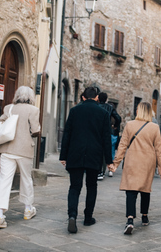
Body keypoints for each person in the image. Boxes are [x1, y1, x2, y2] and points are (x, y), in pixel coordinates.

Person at [60, 87, 114, 233]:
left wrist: (63, 156)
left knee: (74, 187)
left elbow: (67, 134)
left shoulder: (74, 111)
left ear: (83, 97)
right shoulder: (103, 113)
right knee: (92, 186)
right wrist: (109, 161)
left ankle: (72, 215)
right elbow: (106, 139)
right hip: (94, 155)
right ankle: (88, 217)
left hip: (75, 154)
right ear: (97, 98)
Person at [111, 102, 161, 235]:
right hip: (148, 161)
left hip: (132, 160)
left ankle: (130, 219)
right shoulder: (154, 127)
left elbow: (122, 145)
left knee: (131, 190)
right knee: (145, 188)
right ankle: (145, 216)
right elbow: (159, 149)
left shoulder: (130, 125)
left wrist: (115, 164)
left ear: (138, 111)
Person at [0, 86, 41, 228]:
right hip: (24, 149)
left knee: (4, 180)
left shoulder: (9, 108)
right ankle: (27, 209)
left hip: (7, 148)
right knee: (26, 179)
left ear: (17, 95)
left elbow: (0, 123)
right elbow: (36, 130)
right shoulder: (33, 110)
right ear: (30, 97)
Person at [98, 92, 122, 178]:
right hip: (106, 131)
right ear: (106, 99)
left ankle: (96, 170)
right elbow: (118, 118)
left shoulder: (96, 106)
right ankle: (102, 171)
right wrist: (115, 126)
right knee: (105, 151)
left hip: (96, 131)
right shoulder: (109, 107)